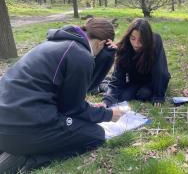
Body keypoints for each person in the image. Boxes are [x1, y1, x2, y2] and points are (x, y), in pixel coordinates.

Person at [0, 18, 125, 173]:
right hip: (26, 127)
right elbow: (72, 109)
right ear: (102, 43)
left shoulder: (56, 44)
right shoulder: (81, 56)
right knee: (96, 135)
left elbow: (68, 96)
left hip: (8, 118)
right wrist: (107, 114)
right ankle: (28, 159)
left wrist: (106, 57)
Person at [102, 18, 170, 107]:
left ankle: (106, 82)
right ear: (129, 36)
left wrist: (158, 96)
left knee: (144, 94)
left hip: (152, 80)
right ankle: (102, 85)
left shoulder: (155, 41)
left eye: (141, 40)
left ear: (147, 39)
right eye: (133, 39)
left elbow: (160, 70)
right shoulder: (124, 47)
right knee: (123, 96)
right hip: (135, 80)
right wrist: (106, 101)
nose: (136, 44)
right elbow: (118, 79)